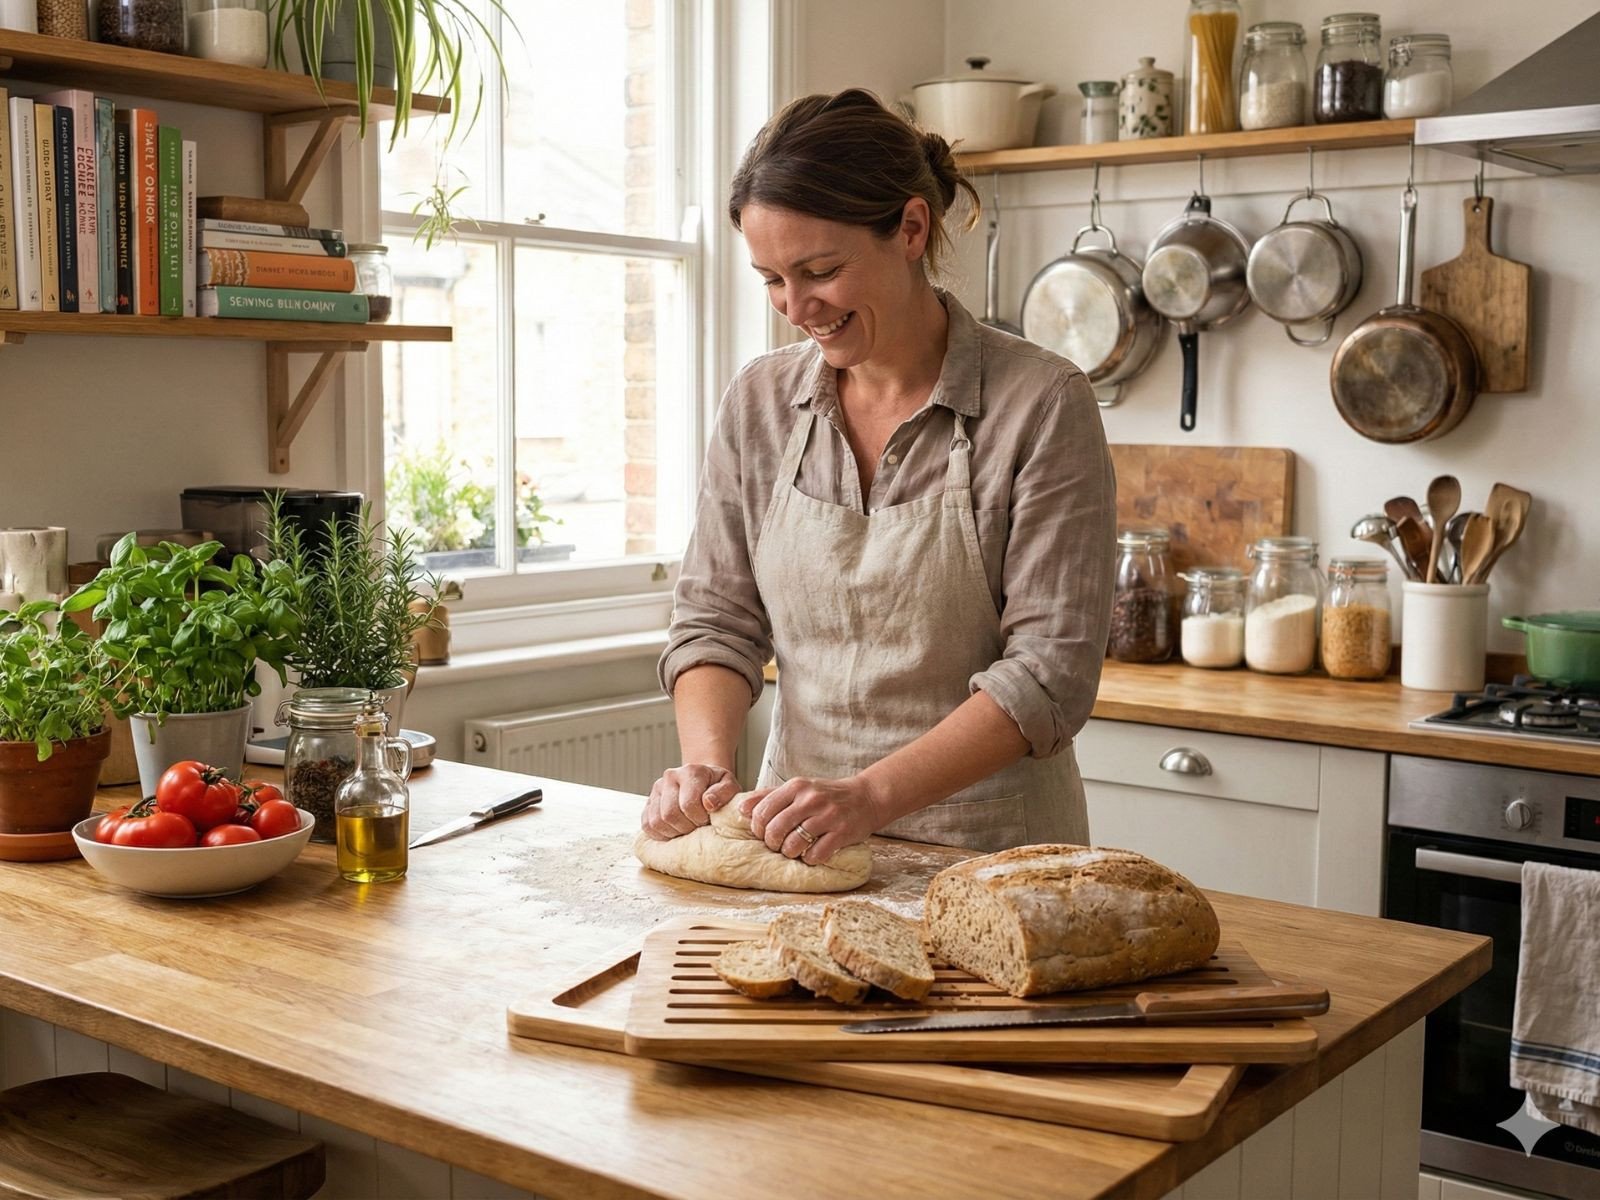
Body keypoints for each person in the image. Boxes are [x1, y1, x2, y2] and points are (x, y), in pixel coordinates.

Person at [641, 88, 1116, 864]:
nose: (796, 307)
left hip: (990, 855)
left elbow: (1049, 673)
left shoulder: (1042, 403)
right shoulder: (761, 402)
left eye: (820, 270)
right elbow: (715, 620)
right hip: (793, 844)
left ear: (910, 229)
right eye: (770, 279)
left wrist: (869, 797)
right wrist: (706, 769)